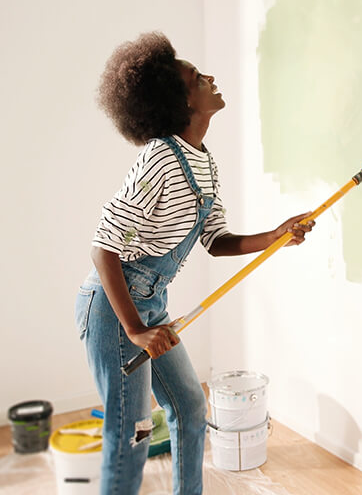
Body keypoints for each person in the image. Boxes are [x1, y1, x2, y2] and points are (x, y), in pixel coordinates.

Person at [75, 32, 314, 495]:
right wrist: (135, 329)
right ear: (179, 100)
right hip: (112, 308)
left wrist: (278, 236)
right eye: (195, 76)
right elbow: (104, 248)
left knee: (188, 408)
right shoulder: (160, 158)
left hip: (150, 304)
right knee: (131, 436)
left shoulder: (204, 161)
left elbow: (216, 240)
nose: (209, 77)